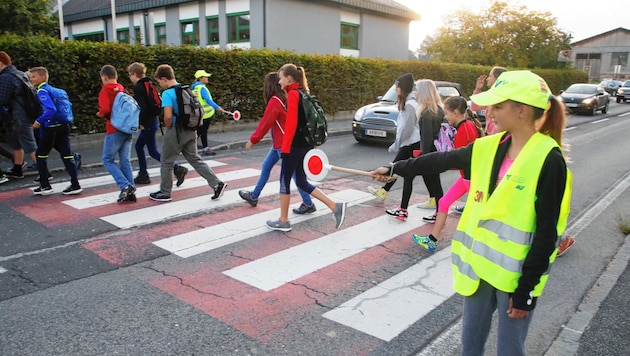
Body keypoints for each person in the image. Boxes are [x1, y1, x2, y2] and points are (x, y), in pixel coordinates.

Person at [371, 70, 571, 356]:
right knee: (470, 346)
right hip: (479, 270)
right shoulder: (491, 145)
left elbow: (546, 233)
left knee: (510, 350)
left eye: (498, 106)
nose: (489, 112)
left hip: (516, 279)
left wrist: (525, 290)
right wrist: (394, 169)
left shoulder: (549, 160)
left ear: (522, 110)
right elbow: (441, 159)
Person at [266, 63, 346, 232]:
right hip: (305, 145)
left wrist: (285, 149)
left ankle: (283, 220)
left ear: (288, 78)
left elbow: (291, 125)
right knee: (301, 181)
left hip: (294, 146)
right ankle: (334, 206)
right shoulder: (302, 92)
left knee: (284, 181)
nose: (279, 82)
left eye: (280, 78)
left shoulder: (294, 95)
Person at [238, 72, 316, 214]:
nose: (280, 80)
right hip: (280, 144)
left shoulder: (275, 101)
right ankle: (254, 195)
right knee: (266, 166)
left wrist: (253, 140)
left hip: (284, 144)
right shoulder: (284, 98)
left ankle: (307, 202)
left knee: (296, 176)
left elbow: (265, 123)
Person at [411, 96, 482, 251]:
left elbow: (459, 159)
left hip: (470, 178)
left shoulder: (465, 129)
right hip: (467, 177)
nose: (445, 116)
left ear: (456, 112)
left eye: (448, 113)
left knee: (474, 214)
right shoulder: (467, 125)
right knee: (443, 203)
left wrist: (439, 160)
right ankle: (432, 239)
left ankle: (473, 247)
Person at [149, 64, 226, 202]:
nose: (160, 84)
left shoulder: (168, 93)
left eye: (159, 81)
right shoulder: (186, 89)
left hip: (176, 132)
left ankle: (165, 192)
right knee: (195, 160)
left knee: (166, 161)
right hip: (191, 130)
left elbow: (167, 116)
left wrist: (168, 128)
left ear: (164, 78)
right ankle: (217, 183)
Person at [366, 73, 420, 222]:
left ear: (402, 88)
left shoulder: (410, 105)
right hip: (409, 144)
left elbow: (407, 129)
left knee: (400, 171)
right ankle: (387, 194)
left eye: (397, 87)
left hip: (411, 144)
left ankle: (402, 209)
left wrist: (396, 145)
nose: (396, 90)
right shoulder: (408, 103)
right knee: (398, 169)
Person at [126, 62, 188, 186]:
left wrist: (141, 123)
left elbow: (142, 107)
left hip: (147, 122)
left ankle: (177, 168)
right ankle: (143, 173)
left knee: (153, 151)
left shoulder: (138, 87)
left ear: (134, 74)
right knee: (139, 146)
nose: (130, 78)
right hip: (153, 120)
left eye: (130, 75)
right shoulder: (149, 83)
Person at [28, 67, 82, 195]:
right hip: (64, 125)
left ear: (42, 77)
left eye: (33, 77)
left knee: (40, 155)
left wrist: (39, 121)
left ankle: (45, 185)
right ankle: (75, 184)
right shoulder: (57, 91)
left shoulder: (42, 91)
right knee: (67, 155)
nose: (31, 79)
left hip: (51, 127)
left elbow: (50, 109)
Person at [97, 64, 136, 203]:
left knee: (107, 160)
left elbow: (105, 109)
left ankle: (124, 186)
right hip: (127, 128)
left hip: (114, 129)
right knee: (125, 160)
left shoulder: (106, 90)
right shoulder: (121, 88)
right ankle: (131, 190)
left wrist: (100, 113)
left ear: (104, 77)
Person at [0, 51, 38, 179]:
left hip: (20, 115)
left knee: (30, 144)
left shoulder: (6, 77)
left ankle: (44, 171)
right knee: (16, 143)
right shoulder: (19, 74)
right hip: (26, 112)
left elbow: (2, 98)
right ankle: (17, 170)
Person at [415, 79, 446, 212]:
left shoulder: (427, 112)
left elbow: (427, 136)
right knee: (433, 178)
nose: (415, 93)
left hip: (430, 150)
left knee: (433, 179)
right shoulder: (438, 109)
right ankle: (436, 204)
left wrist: (423, 156)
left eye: (417, 90)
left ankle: (439, 209)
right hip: (437, 148)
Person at [191, 70, 224, 156]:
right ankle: (205, 148)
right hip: (206, 114)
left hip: (198, 113)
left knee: (198, 131)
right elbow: (208, 100)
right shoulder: (202, 88)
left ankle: (191, 145)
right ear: (201, 78)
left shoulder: (194, 88)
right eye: (205, 77)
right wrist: (217, 107)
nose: (207, 78)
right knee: (203, 131)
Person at [471, 66, 507, 136]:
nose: (487, 79)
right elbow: (475, 107)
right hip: (490, 134)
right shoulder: (490, 95)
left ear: (497, 79)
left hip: (499, 135)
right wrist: (478, 89)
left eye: (490, 76)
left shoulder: (504, 96)